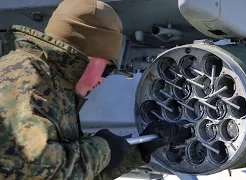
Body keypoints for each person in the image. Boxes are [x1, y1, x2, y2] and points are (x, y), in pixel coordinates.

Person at [0, 0, 190, 179]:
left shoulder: (55, 84)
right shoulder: (26, 76)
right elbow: (33, 170)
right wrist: (103, 150)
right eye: (108, 69)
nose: (102, 80)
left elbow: (71, 173)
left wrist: (138, 151)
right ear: (84, 56)